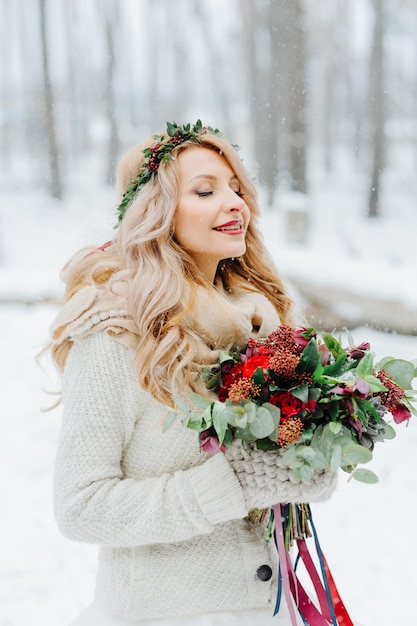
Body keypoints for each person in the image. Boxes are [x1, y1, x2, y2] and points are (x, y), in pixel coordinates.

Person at [49, 120, 337, 626]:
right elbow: (81, 505)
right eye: (206, 190)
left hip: (271, 610)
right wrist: (232, 485)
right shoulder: (117, 333)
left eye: (237, 188)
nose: (235, 203)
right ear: (157, 213)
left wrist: (309, 459)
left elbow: (270, 479)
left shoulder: (263, 326)